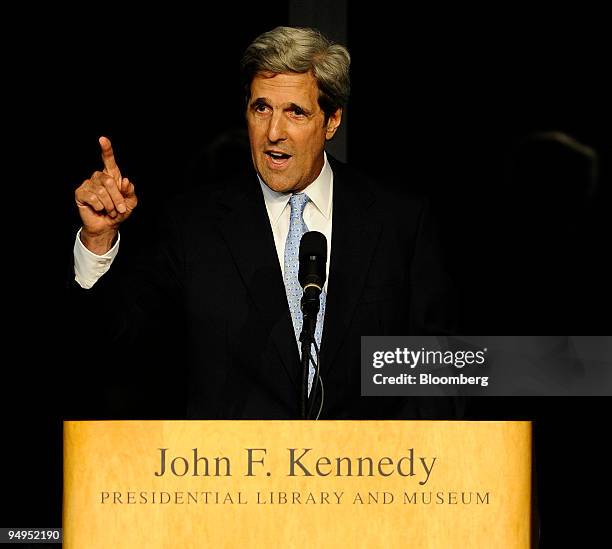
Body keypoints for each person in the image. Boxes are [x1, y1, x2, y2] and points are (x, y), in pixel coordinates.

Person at [72, 26, 457, 419]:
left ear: (331, 121)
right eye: (262, 108)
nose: (274, 133)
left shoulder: (399, 223)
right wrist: (98, 241)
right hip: (232, 474)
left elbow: (435, 376)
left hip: (368, 473)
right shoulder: (193, 226)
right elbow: (117, 346)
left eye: (295, 112)